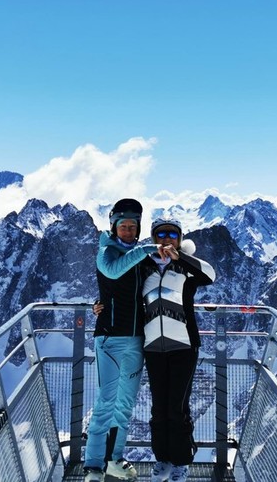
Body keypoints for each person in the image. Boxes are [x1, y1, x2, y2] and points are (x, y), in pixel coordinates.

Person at [83, 198, 160, 482]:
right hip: (110, 339)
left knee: (125, 405)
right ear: (113, 227)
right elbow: (112, 272)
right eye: (123, 226)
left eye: (133, 226)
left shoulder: (140, 257)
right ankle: (93, 467)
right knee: (106, 402)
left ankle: (113, 459)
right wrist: (148, 248)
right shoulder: (107, 251)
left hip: (136, 339)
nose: (128, 231)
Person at [140, 218, 216, 482]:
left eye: (173, 234)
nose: (167, 238)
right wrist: (99, 303)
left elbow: (210, 275)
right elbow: (122, 290)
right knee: (159, 408)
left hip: (184, 346)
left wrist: (180, 257)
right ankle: (162, 459)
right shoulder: (144, 267)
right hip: (153, 347)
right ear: (154, 238)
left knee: (177, 408)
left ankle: (181, 462)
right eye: (161, 234)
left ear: (180, 238)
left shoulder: (186, 268)